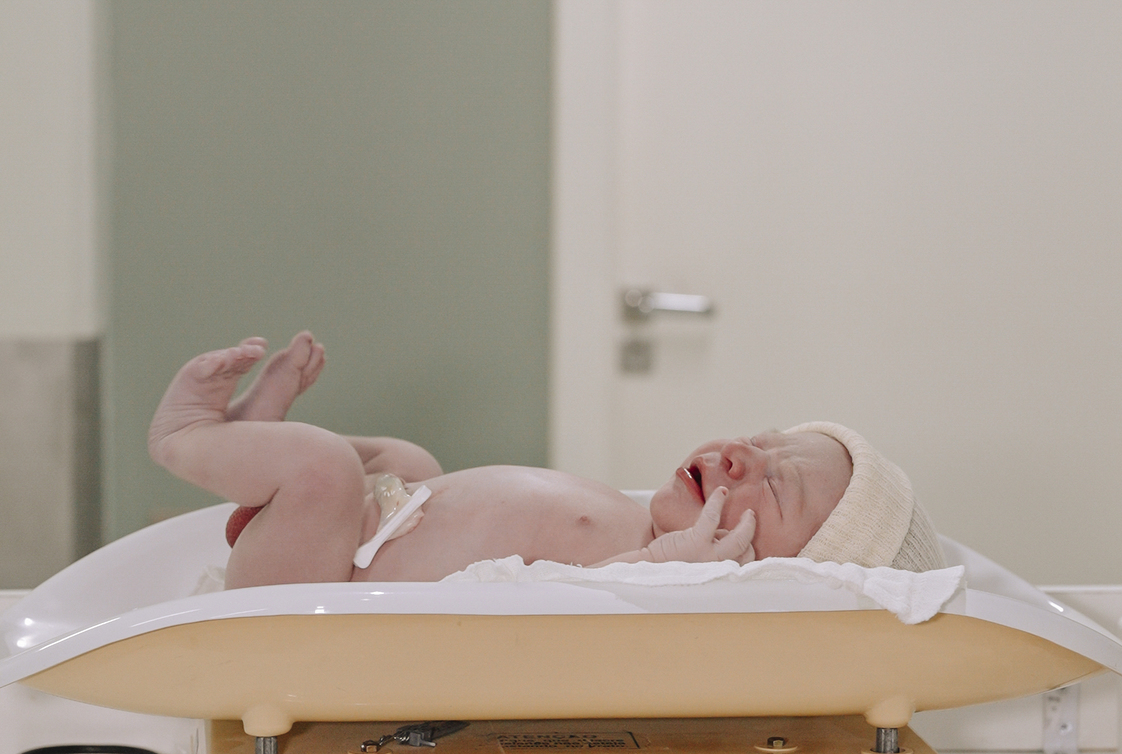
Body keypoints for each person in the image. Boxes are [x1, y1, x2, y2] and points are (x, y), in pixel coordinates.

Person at [148, 333, 942, 588]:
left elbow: (575, 617)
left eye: (776, 485)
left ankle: (191, 436)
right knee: (409, 458)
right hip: (367, 531)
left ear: (786, 575)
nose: (741, 455)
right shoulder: (642, 526)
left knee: (325, 469)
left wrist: (660, 565)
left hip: (318, 588)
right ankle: (263, 454)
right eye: (763, 441)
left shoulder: (669, 585)